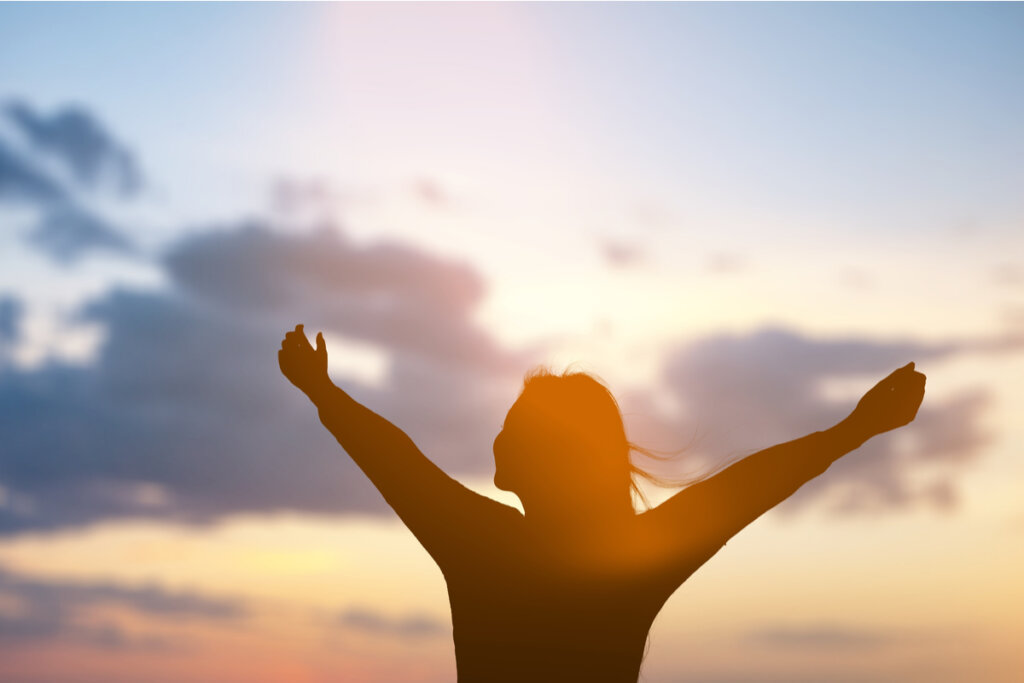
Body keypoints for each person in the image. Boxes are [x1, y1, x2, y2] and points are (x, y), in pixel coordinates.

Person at [278, 324, 926, 683]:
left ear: (543, 455)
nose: (497, 435)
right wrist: (853, 429)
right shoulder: (630, 560)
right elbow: (742, 490)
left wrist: (323, 392)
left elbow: (396, 461)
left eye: (512, 426)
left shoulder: (480, 544)